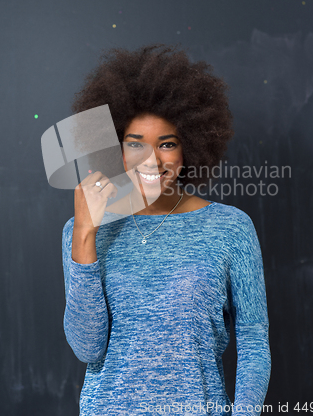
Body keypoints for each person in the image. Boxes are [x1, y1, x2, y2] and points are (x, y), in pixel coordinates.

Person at [62, 43, 271, 416]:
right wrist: (84, 234)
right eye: (135, 143)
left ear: (189, 146)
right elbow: (87, 348)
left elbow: (253, 339)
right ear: (116, 148)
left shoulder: (230, 228)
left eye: (167, 144)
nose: (152, 160)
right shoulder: (82, 231)